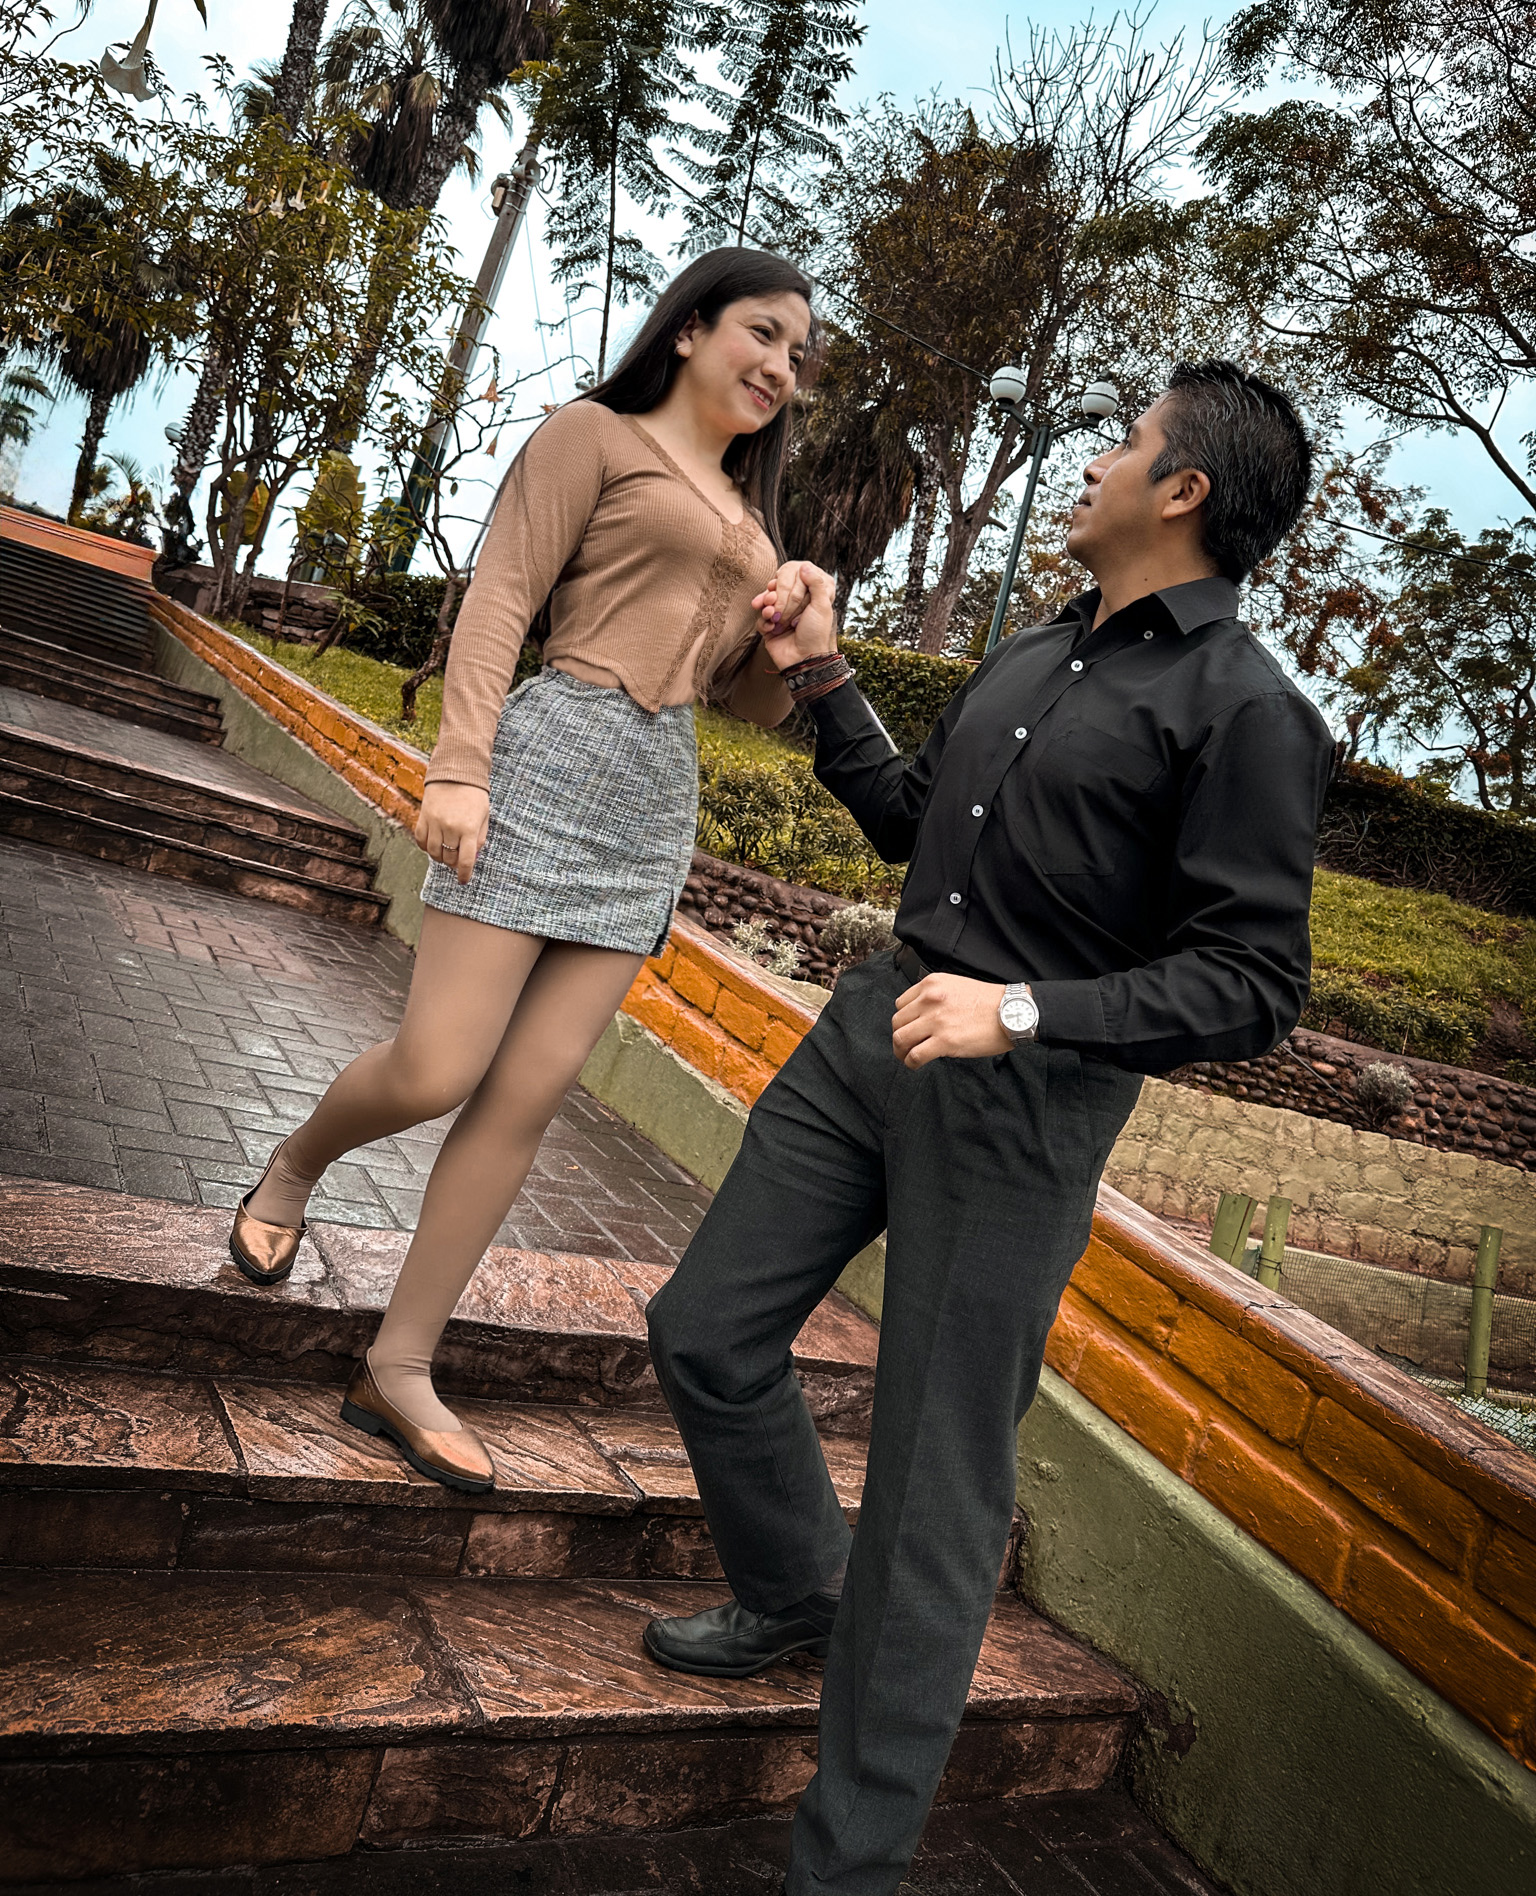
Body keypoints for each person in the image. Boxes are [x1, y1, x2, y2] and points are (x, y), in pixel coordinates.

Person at [642, 360, 1336, 1895]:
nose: (1094, 461)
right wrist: (821, 673)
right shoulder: (1033, 657)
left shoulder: (1247, 712)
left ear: (1184, 491)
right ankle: (796, 1589)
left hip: (1022, 1105)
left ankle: (848, 1866)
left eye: (1125, 441)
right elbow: (913, 825)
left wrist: (1022, 1011)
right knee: (705, 1327)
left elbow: (1252, 984)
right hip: (874, 1033)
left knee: (931, 1493)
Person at [226, 247, 819, 1493]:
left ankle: (399, 1364)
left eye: (797, 355)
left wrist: (799, 631)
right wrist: (459, 767)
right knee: (438, 1065)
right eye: (763, 333)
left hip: (651, 806)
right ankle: (296, 1163)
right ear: (690, 328)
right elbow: (500, 598)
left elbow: (752, 704)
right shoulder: (592, 435)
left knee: (527, 1096)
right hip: (546, 760)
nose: (780, 367)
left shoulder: (759, 529)